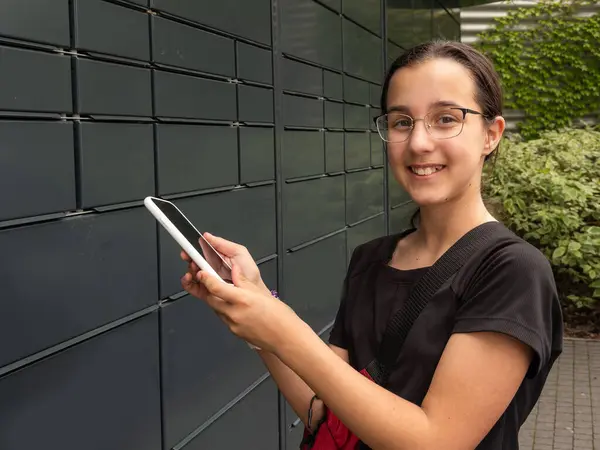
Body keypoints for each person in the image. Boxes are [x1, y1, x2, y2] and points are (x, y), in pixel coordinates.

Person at [180, 40, 564, 450]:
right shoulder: (371, 260)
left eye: (446, 118)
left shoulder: (511, 271)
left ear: (491, 134)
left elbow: (437, 441)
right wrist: (259, 317)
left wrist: (283, 328)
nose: (418, 142)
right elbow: (325, 413)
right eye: (401, 122)